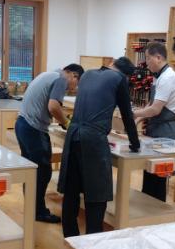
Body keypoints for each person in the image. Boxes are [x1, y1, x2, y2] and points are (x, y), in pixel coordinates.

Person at [58, 57, 140, 237]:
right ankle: (93, 240)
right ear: (126, 75)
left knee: (71, 191)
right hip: (93, 139)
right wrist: (135, 143)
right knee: (97, 193)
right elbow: (127, 116)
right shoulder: (119, 79)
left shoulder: (87, 74)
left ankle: (70, 237)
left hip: (73, 135)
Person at [15, 63, 84, 224]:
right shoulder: (61, 79)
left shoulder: (48, 74)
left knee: (31, 170)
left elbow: (50, 105)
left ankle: (31, 207)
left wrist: (63, 118)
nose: (74, 88)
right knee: (43, 172)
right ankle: (38, 212)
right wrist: (67, 123)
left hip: (22, 124)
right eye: (76, 84)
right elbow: (53, 107)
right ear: (73, 75)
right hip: (33, 128)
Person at [133, 42, 175, 201]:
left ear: (158, 57)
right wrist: (138, 119)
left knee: (159, 178)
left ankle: (157, 212)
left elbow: (155, 110)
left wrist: (134, 114)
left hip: (165, 132)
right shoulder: (158, 76)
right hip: (155, 129)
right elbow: (152, 102)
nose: (146, 62)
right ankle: (146, 208)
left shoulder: (167, 77)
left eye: (148, 58)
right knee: (149, 172)